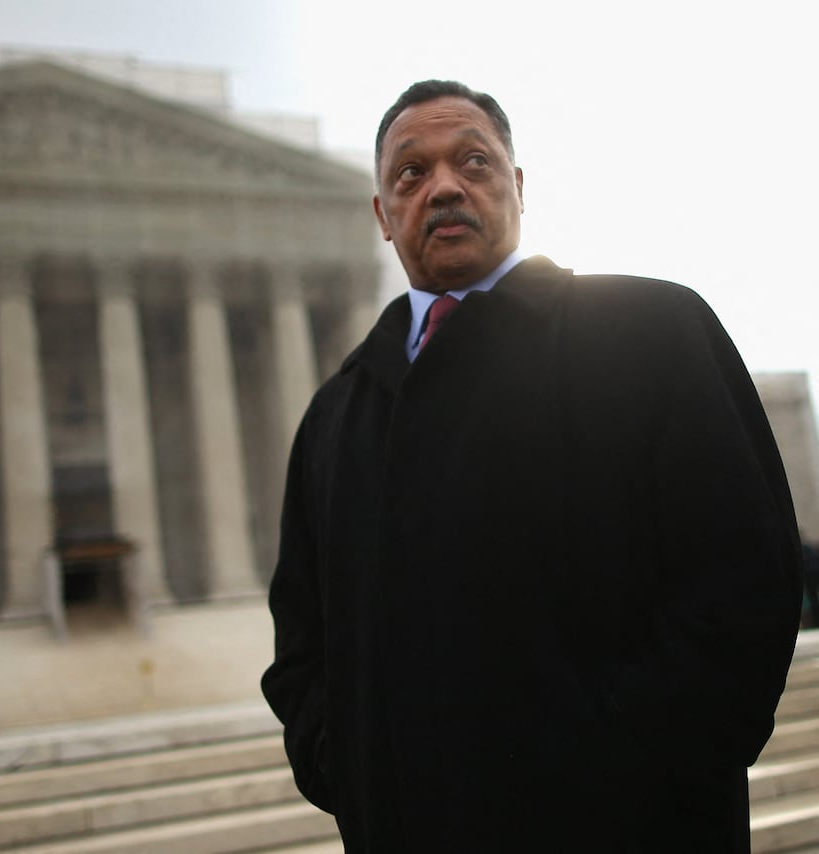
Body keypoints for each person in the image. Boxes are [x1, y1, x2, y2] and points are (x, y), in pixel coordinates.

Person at [261, 79, 802, 852]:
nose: (444, 187)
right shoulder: (335, 417)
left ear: (517, 186)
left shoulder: (653, 332)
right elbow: (302, 641)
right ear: (382, 216)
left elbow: (745, 582)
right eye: (412, 173)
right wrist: (346, 767)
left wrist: (631, 772)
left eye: (473, 161)